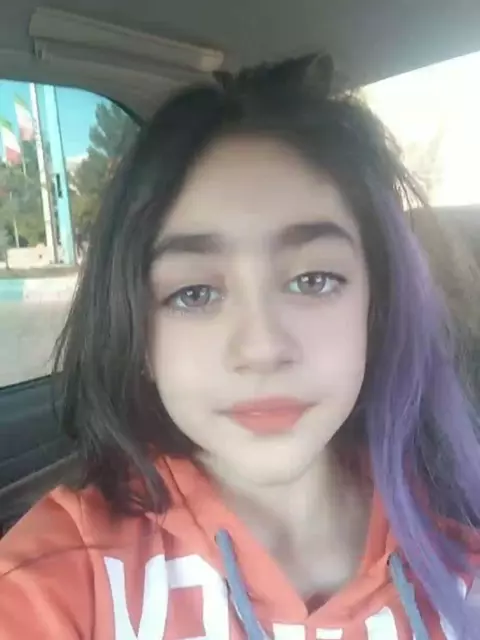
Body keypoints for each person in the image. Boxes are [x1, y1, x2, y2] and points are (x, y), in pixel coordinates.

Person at [0, 54, 479, 639]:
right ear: (137, 336)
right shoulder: (58, 580)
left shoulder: (461, 550)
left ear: (376, 311)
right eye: (194, 293)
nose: (262, 349)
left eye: (314, 280)